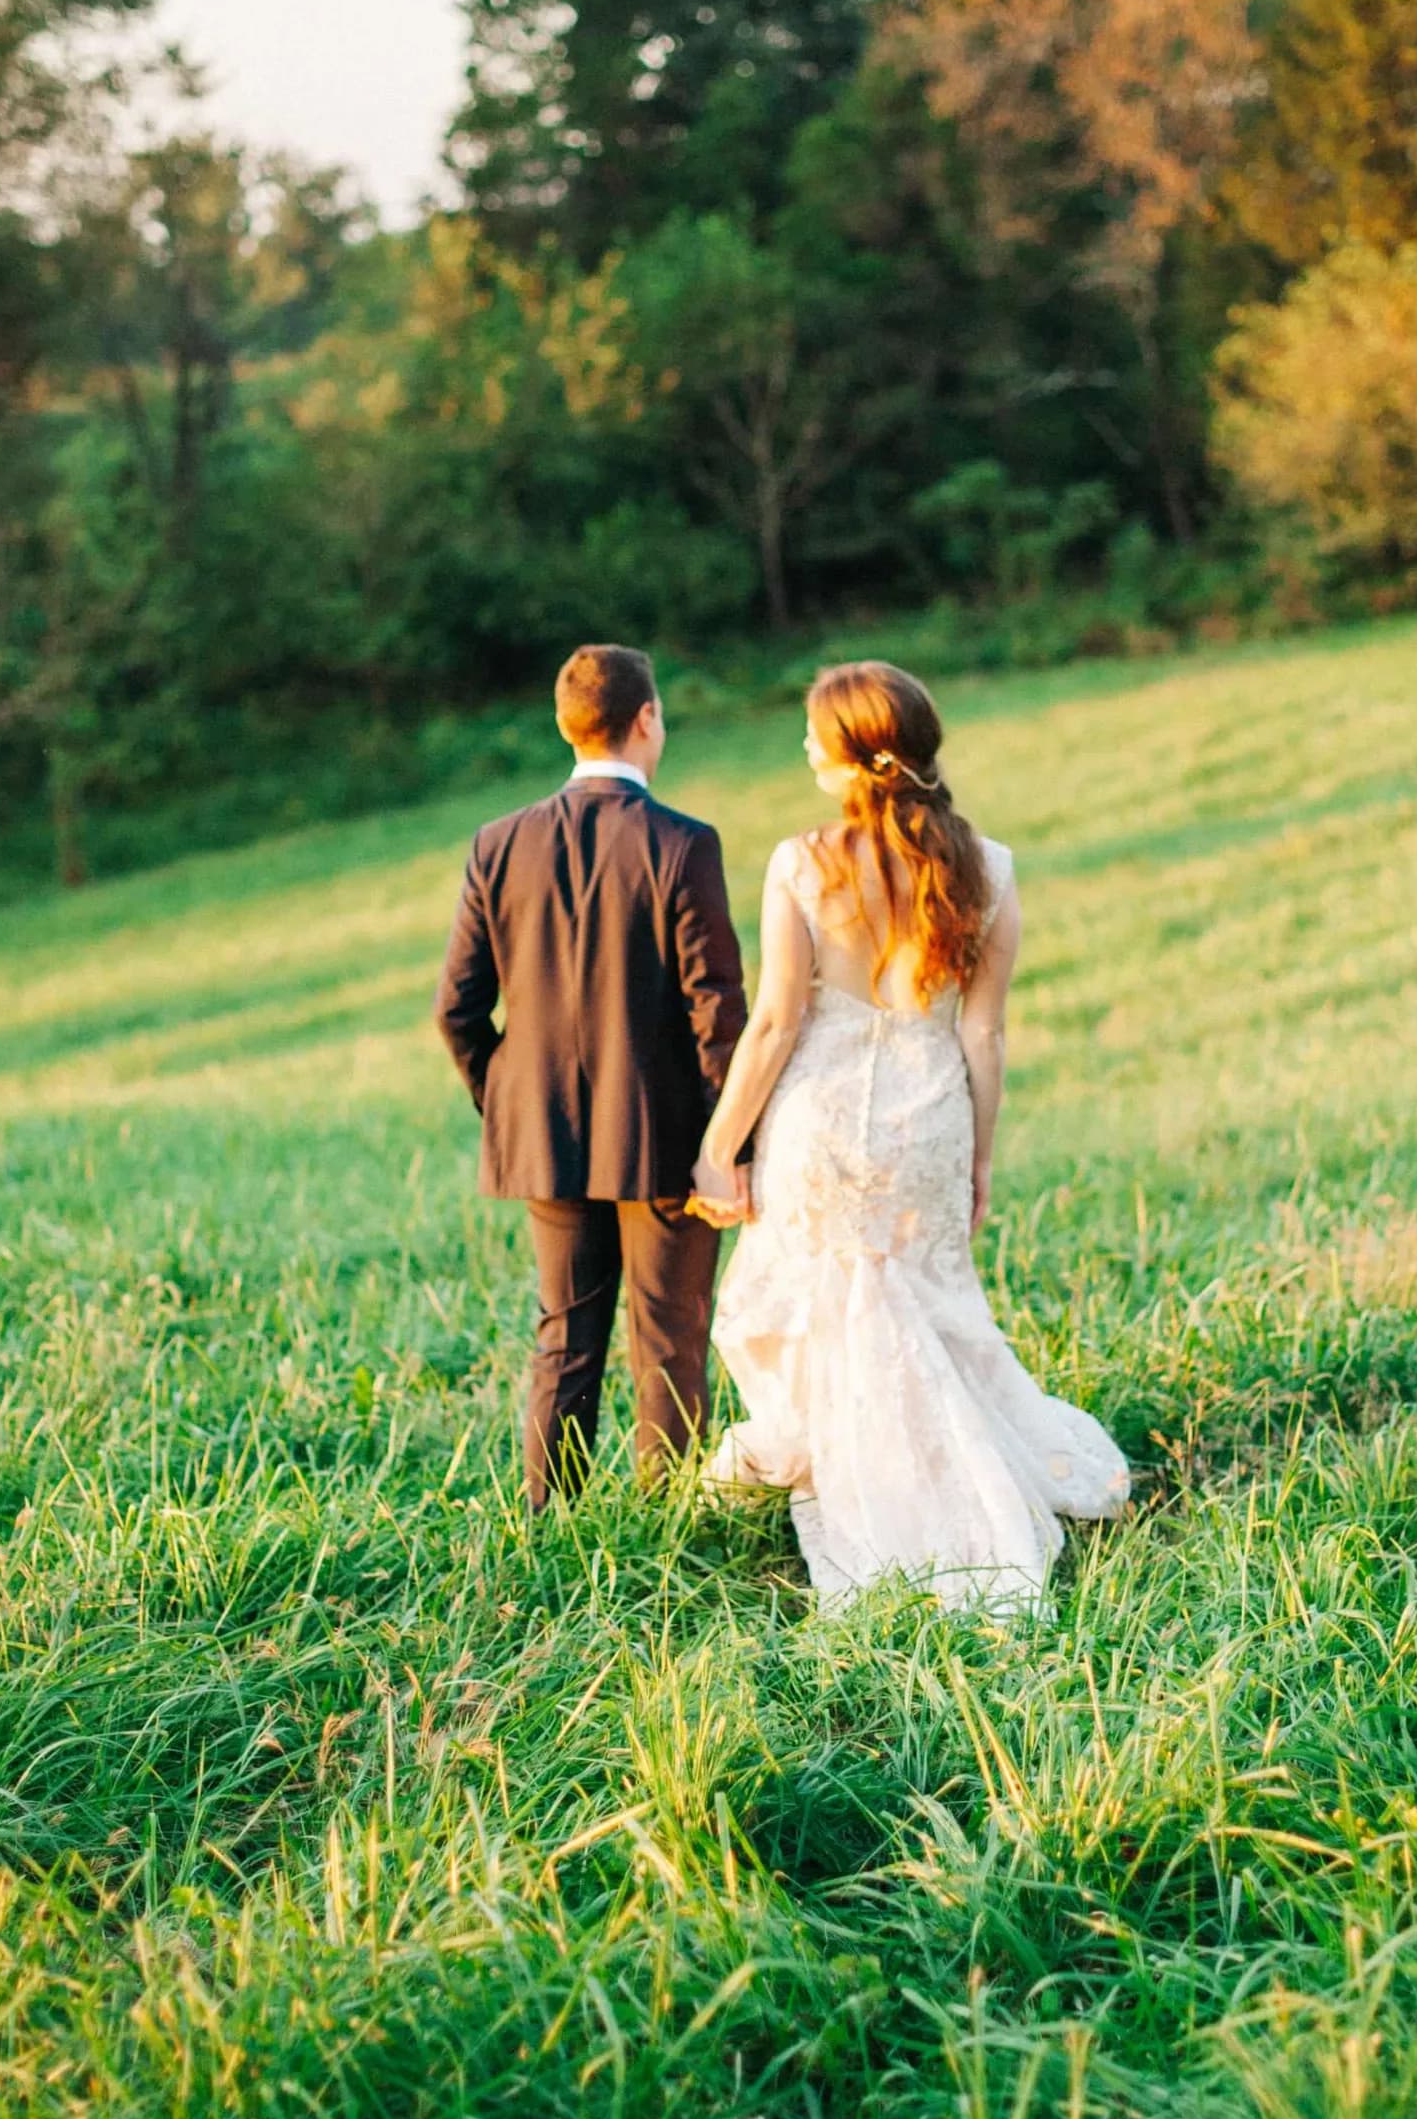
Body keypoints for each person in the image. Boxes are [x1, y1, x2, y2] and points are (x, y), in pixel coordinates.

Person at [689, 660, 1127, 1609]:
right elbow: (985, 1029)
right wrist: (977, 1155)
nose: (803, 746)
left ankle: (872, 1486)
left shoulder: (801, 862)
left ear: (853, 755)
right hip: (929, 1117)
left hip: (823, 1122)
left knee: (830, 1310)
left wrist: (720, 1143)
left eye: (814, 734)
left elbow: (773, 1024)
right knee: (917, 1308)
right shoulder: (990, 867)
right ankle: (937, 1472)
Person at [435, 643, 747, 1506]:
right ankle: (671, 1521)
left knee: (565, 1335)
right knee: (670, 1337)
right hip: (669, 1137)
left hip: (544, 1131)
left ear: (566, 726)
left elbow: (455, 1009)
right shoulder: (683, 844)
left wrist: (507, 1101)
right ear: (647, 719)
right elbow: (716, 1010)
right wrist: (732, 1139)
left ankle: (552, 1522)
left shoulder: (498, 844)